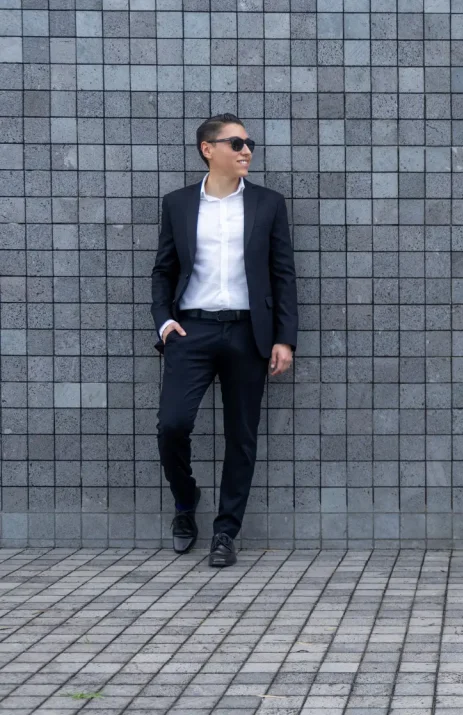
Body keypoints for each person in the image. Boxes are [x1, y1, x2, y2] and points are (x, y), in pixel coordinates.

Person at [151, 114, 298, 567]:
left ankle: (225, 532)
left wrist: (284, 339)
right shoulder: (178, 204)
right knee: (172, 425)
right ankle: (185, 499)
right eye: (236, 143)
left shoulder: (268, 203)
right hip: (190, 332)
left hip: (248, 333)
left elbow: (283, 274)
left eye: (249, 143)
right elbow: (164, 270)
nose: (246, 150)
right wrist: (164, 322)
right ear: (207, 149)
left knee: (241, 436)